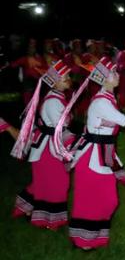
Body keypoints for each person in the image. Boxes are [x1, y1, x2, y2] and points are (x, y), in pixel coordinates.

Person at [57, 57, 125, 250]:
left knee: (109, 200)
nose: (118, 75)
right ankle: (84, 241)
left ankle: (94, 236)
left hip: (103, 154)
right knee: (90, 200)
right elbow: (124, 120)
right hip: (92, 156)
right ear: (104, 79)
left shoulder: (108, 98)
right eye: (114, 73)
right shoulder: (102, 102)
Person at [11, 61, 77, 229]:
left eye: (69, 76)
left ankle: (27, 209)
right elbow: (60, 130)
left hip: (49, 147)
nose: (69, 79)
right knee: (58, 184)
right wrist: (78, 144)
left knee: (43, 183)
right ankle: (50, 220)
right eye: (65, 77)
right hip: (50, 149)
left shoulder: (58, 98)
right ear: (54, 81)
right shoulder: (53, 101)